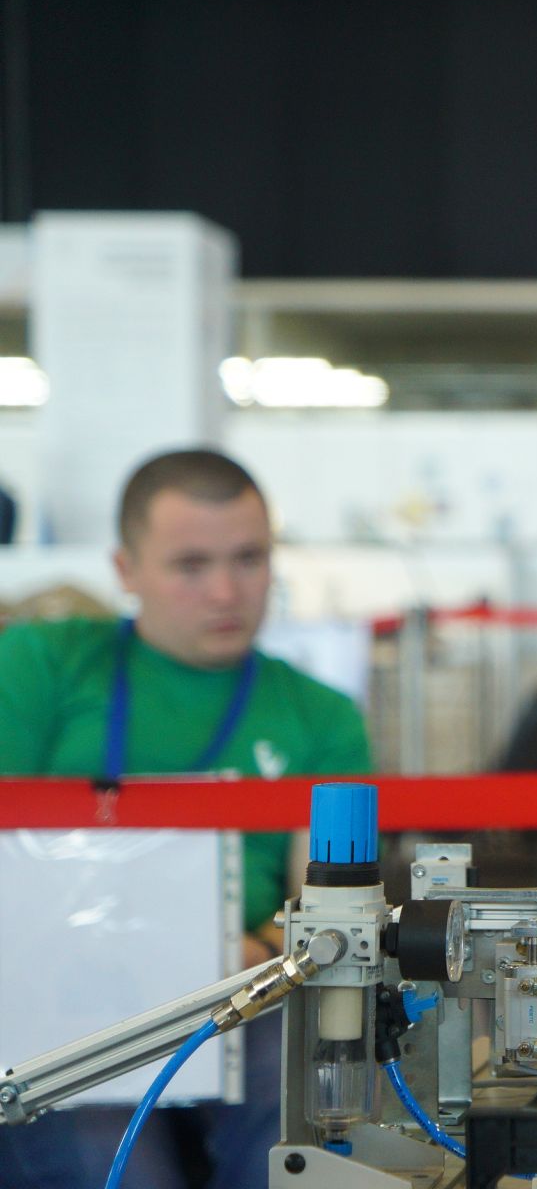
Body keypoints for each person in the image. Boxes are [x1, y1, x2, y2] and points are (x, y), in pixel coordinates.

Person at [0, 448, 372, 1188]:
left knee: (302, 1126)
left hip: (239, 989)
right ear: (126, 568)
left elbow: (328, 907)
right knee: (119, 1166)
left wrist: (261, 947)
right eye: (190, 565)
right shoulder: (40, 664)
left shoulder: (322, 717)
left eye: (250, 558)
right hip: (64, 995)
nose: (227, 591)